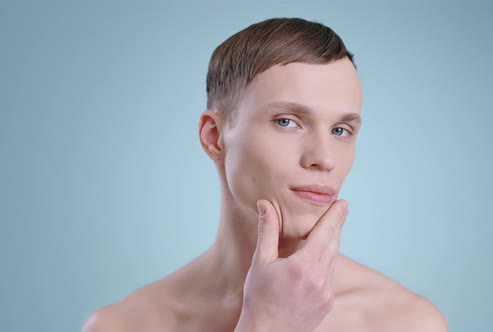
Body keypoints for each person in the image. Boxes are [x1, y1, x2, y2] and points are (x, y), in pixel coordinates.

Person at [83, 17, 448, 332]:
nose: (324, 158)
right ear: (214, 136)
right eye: (287, 121)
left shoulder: (405, 323)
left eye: (341, 130)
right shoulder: (123, 325)